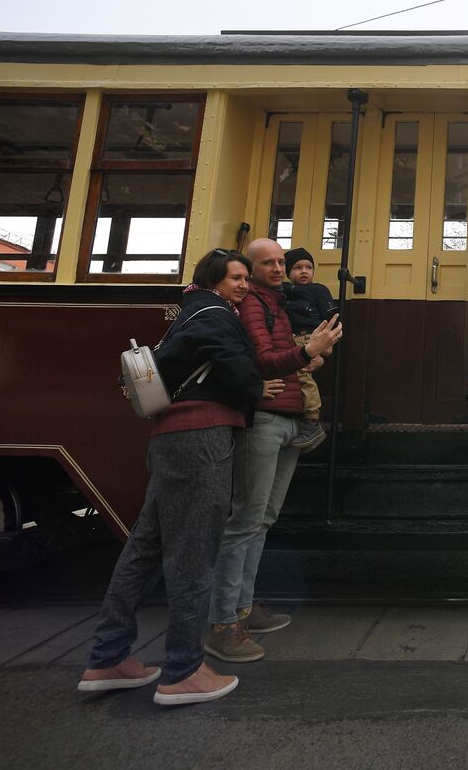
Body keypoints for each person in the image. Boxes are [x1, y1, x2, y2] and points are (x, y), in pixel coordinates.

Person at [79, 248, 281, 706]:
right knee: (193, 553)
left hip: (170, 438)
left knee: (144, 549)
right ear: (213, 280)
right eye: (236, 277)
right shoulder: (215, 315)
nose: (245, 285)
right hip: (202, 439)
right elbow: (242, 377)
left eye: (246, 278)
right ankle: (183, 670)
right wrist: (261, 379)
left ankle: (106, 658)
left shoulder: (188, 314)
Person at [205, 237, 342, 663]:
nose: (279, 269)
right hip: (265, 419)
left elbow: (278, 357)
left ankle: (243, 609)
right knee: (247, 519)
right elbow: (263, 360)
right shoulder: (253, 304)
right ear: (250, 266)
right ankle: (223, 622)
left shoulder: (276, 303)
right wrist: (307, 352)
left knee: (262, 518)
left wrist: (306, 357)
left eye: (282, 262)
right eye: (268, 263)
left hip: (285, 419)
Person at [282, 246, 337, 453]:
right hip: (291, 338)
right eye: (297, 267)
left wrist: (326, 347)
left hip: (310, 336)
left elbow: (332, 319)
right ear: (288, 272)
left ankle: (312, 418)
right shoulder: (284, 293)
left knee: (302, 374)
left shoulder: (318, 290)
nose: (304, 271)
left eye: (308, 267)